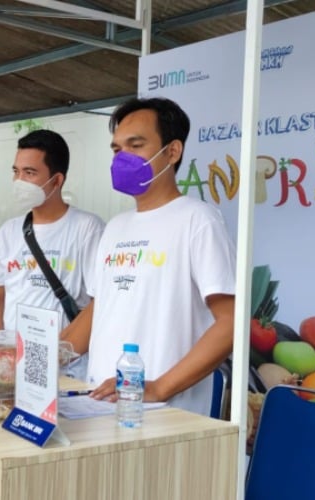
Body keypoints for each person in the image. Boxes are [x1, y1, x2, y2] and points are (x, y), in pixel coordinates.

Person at [61, 97, 236, 416]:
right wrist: (43, 357)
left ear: (172, 151)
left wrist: (158, 387)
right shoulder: (115, 227)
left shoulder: (198, 220)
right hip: (98, 404)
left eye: (136, 145)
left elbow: (231, 322)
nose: (122, 157)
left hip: (164, 414)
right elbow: (101, 309)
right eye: (116, 149)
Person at [0, 130, 104, 379]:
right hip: (13, 366)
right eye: (16, 172)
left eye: (30, 173)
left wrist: (55, 356)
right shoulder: (9, 231)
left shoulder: (87, 227)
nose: (19, 181)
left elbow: (99, 303)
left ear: (57, 180)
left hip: (66, 369)